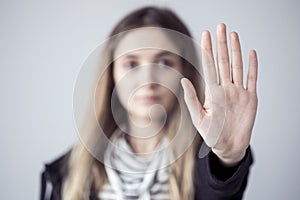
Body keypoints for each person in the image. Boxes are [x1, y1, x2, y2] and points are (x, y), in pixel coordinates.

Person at [40, 6, 257, 200]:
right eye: (131, 64)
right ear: (111, 75)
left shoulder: (206, 162)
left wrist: (227, 158)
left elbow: (219, 189)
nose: (147, 80)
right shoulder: (67, 171)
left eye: (164, 62)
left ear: (185, 71)